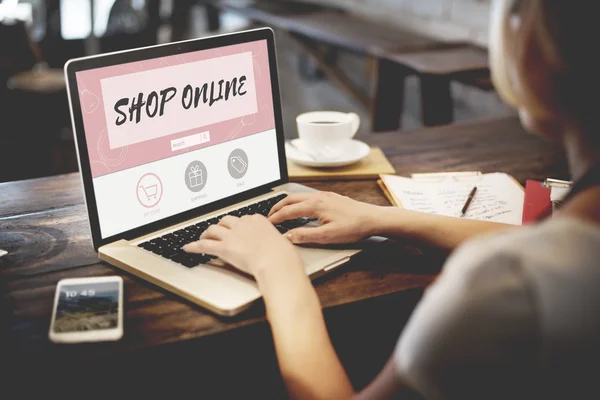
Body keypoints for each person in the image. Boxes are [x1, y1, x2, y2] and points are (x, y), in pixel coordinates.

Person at [184, 0, 600, 398]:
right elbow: (539, 241)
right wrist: (386, 218)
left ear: (555, 48)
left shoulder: (503, 284)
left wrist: (276, 268)